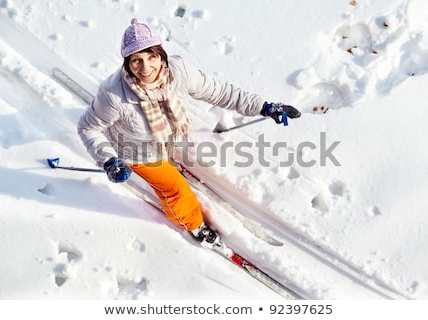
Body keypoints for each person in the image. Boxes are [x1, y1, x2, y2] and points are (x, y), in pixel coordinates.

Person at [77, 18, 301, 248]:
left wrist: (264, 107)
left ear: (161, 54)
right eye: (136, 61)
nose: (145, 68)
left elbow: (221, 92)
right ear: (127, 63)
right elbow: (87, 127)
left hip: (167, 137)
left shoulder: (179, 71)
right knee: (176, 190)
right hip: (139, 152)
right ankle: (193, 225)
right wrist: (109, 160)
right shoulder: (114, 95)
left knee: (170, 159)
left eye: (151, 57)